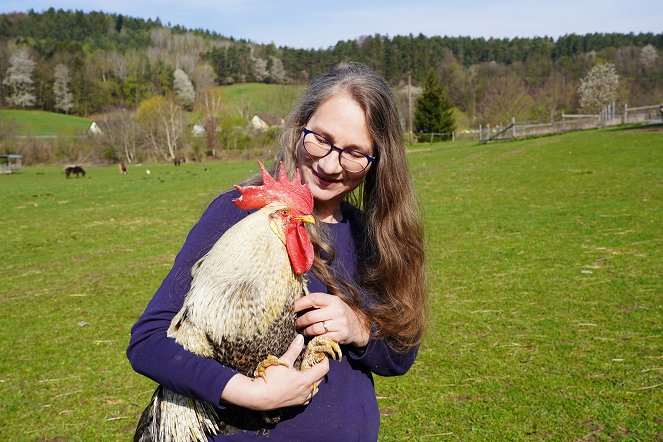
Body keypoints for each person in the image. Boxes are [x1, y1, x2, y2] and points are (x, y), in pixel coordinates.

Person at [127, 62, 428, 441]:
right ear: (299, 126)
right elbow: (148, 340)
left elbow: (400, 357)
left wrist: (360, 329)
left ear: (377, 162)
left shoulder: (376, 236)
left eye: (354, 153)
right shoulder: (239, 213)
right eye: (320, 138)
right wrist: (251, 392)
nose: (330, 164)